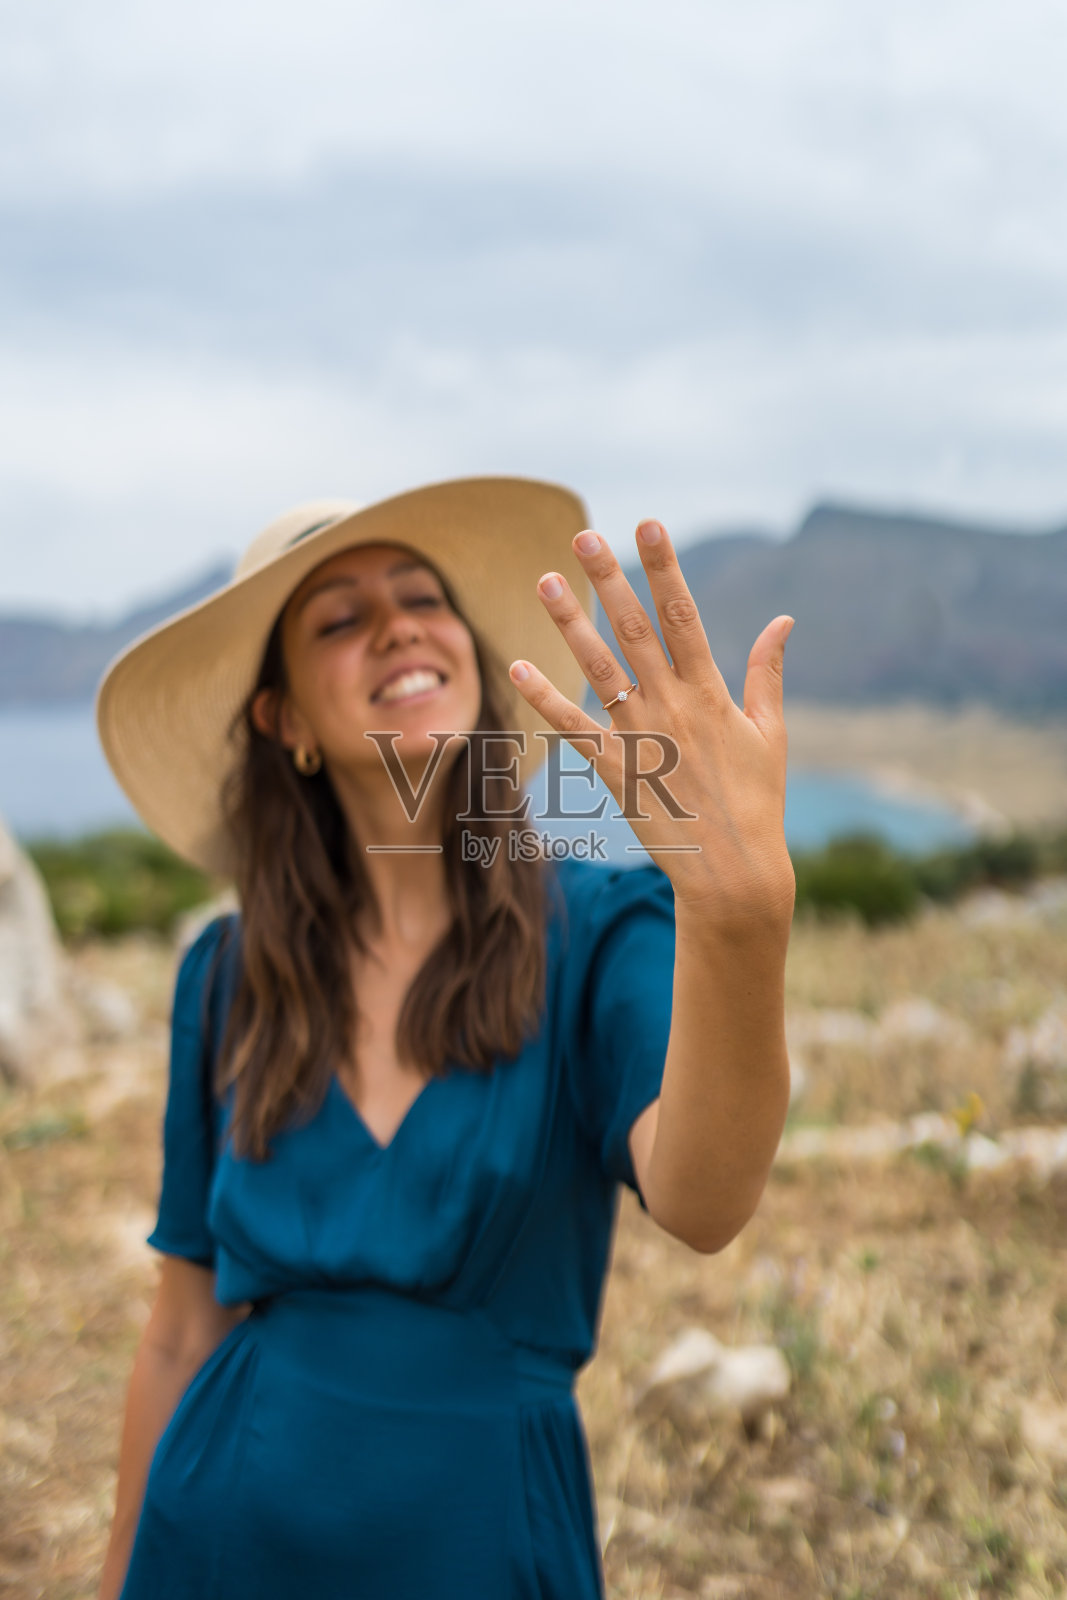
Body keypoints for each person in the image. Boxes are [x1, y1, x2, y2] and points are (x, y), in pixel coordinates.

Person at [93, 475, 797, 1600]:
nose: (399, 627)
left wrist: (740, 916)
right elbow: (182, 1329)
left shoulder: (598, 930)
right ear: (283, 721)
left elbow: (706, 1198)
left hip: (481, 1544)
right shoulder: (225, 980)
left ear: (468, 656)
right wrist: (121, 1574)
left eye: (420, 596)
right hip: (221, 1534)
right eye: (338, 617)